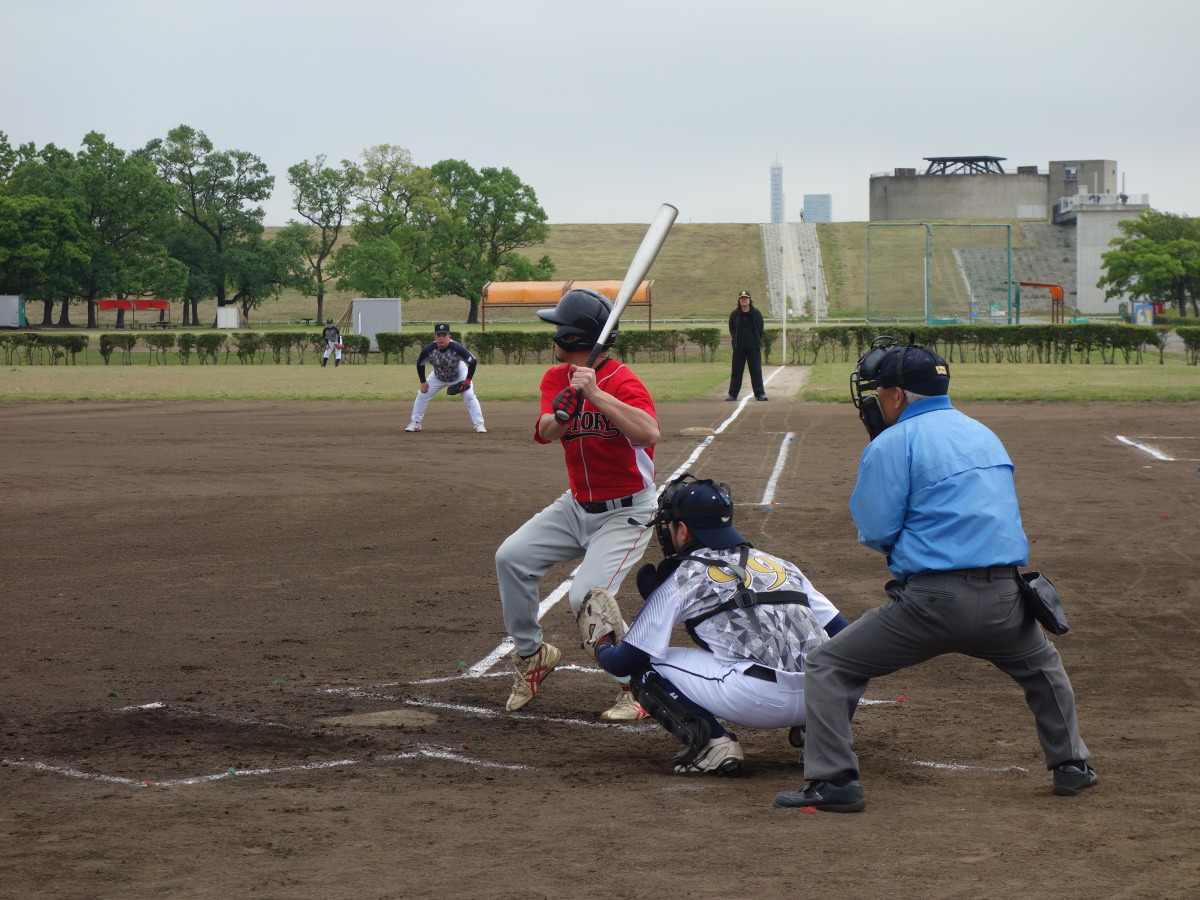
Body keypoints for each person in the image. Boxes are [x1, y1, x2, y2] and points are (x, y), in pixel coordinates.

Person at [773, 337, 1096, 813]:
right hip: (1007, 599)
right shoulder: (983, 432)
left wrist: (886, 455)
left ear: (896, 395)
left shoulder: (893, 442)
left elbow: (876, 530)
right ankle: (1071, 766)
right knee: (1044, 670)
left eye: (879, 392)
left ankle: (834, 781)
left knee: (829, 665)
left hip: (931, 605)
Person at [591, 473, 850, 775]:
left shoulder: (682, 578)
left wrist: (601, 644)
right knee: (827, 655)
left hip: (756, 702)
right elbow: (845, 635)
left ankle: (714, 744)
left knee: (647, 664)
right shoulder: (781, 565)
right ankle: (820, 738)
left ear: (683, 530)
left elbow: (624, 662)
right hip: (825, 700)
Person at [495, 288, 659, 721]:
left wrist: (597, 395)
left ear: (572, 336)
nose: (552, 335)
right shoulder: (557, 378)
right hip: (577, 505)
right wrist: (563, 413)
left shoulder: (621, 379)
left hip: (627, 511)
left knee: (586, 596)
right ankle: (532, 654)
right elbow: (546, 431)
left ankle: (639, 687)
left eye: (557, 328)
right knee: (511, 558)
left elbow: (648, 433)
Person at [405, 323, 486, 434]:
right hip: (437, 377)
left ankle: (479, 424)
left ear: (449, 336)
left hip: (459, 376)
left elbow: (473, 361)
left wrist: (467, 380)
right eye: (439, 335)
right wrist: (423, 382)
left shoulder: (457, 348)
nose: (441, 338)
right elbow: (420, 364)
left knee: (469, 396)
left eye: (444, 335)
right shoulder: (428, 349)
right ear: (435, 337)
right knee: (422, 394)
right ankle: (415, 423)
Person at [726, 290, 767, 402]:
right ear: (739, 300)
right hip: (739, 348)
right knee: (736, 372)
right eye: (742, 298)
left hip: (753, 347)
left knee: (756, 371)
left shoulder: (756, 313)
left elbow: (760, 329)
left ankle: (760, 394)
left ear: (749, 300)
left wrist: (755, 341)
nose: (744, 300)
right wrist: (736, 340)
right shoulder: (735, 314)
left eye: (745, 298)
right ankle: (732, 394)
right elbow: (732, 329)